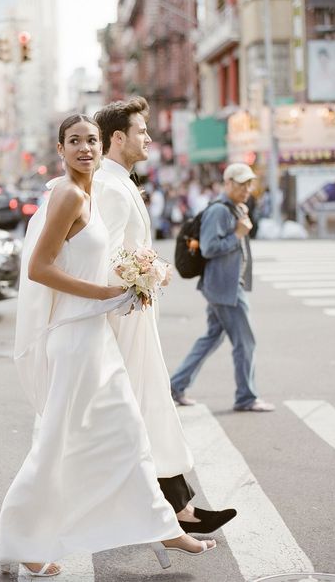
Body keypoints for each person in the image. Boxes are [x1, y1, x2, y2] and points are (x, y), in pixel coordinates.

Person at [0, 114, 216, 578]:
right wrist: (107, 295)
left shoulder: (92, 194)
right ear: (60, 149)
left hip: (95, 336)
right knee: (57, 443)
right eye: (74, 141)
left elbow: (94, 258)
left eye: (91, 140)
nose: (85, 148)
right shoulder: (68, 194)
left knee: (128, 436)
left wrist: (135, 278)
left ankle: (161, 524)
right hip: (75, 339)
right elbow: (39, 268)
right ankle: (20, 540)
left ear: (102, 146)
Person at [94, 98, 236, 536]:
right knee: (141, 412)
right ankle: (173, 509)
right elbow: (106, 258)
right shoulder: (111, 186)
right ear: (118, 138)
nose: (149, 138)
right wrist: (143, 277)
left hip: (135, 314)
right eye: (141, 131)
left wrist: (147, 273)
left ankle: (175, 507)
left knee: (142, 413)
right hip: (125, 319)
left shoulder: (121, 181)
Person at [170, 163, 275, 412]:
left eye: (249, 183)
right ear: (227, 183)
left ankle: (175, 386)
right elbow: (208, 247)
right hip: (224, 288)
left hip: (224, 285)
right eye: (241, 184)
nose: (246, 189)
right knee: (245, 342)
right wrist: (237, 235)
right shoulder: (219, 211)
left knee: (211, 338)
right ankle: (246, 397)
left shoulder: (236, 207)